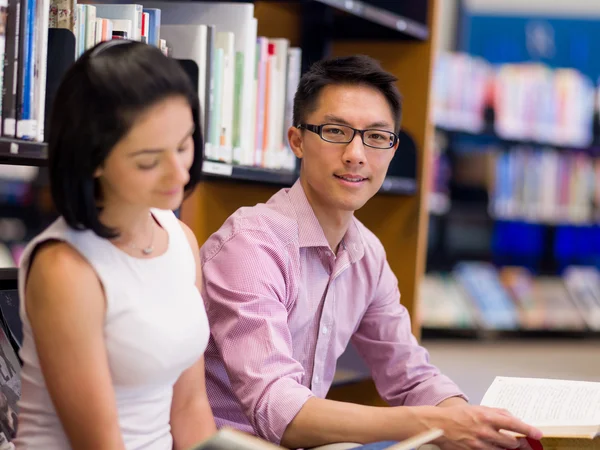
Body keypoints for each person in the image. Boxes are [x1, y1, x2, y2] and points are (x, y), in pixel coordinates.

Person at [199, 55, 543, 450]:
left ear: (393, 150)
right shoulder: (252, 245)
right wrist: (431, 423)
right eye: (335, 131)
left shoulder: (367, 253)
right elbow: (278, 407)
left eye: (377, 137)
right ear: (297, 140)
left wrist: (469, 421)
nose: (356, 154)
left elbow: (410, 373)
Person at [14, 40, 216, 449]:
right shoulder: (65, 268)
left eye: (183, 145)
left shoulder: (180, 240)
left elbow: (191, 407)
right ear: (94, 159)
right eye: (148, 161)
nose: (179, 173)